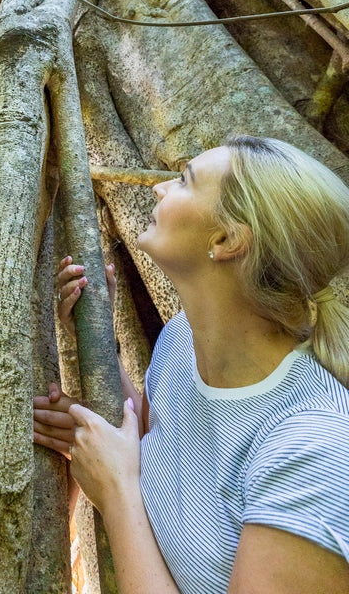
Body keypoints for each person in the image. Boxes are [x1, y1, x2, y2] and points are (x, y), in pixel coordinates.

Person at [34, 135, 349, 594]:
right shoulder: (181, 341)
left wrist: (116, 492)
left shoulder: (315, 449)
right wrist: (96, 355)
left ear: (226, 239)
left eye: (184, 181)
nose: (159, 188)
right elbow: (165, 438)